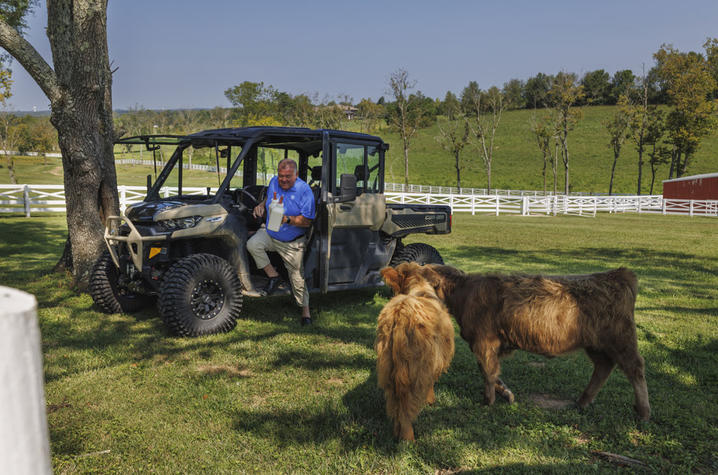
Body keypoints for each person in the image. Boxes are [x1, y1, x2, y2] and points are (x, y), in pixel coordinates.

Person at [247, 158, 316, 325]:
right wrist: (261, 205)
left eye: (287, 176)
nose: (283, 179)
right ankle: (274, 276)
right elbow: (269, 197)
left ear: (296, 175)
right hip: (270, 233)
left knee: (297, 279)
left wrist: (288, 220)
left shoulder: (305, 191)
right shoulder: (273, 182)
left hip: (291, 242)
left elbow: (307, 221)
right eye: (280, 175)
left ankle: (305, 311)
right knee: (252, 244)